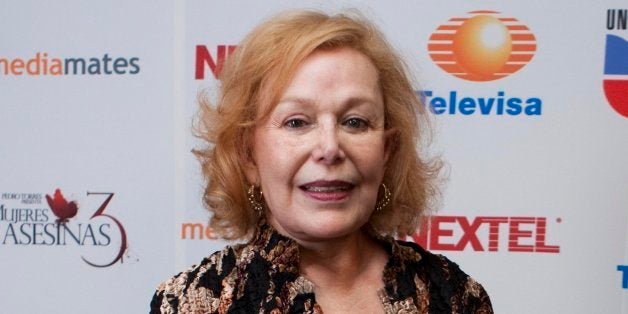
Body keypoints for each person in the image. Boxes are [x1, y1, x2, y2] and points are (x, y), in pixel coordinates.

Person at [151, 9, 493, 314]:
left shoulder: (455, 296)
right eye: (297, 122)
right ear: (248, 155)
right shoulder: (192, 303)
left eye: (355, 122)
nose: (330, 148)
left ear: (387, 152)